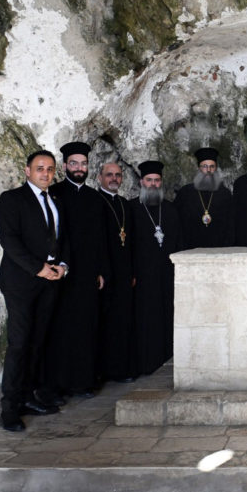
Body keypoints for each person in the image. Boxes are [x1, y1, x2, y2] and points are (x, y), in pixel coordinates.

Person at [0, 150, 67, 432]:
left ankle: (28, 397)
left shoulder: (56, 201)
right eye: (40, 169)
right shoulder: (11, 199)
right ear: (27, 171)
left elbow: (63, 239)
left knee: (38, 343)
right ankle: (9, 409)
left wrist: (62, 265)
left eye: (50, 169)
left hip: (49, 280)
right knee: (19, 344)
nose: (45, 174)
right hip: (21, 282)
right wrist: (38, 268)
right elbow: (9, 241)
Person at [43, 141, 107, 401]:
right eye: (74, 163)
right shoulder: (54, 193)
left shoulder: (95, 197)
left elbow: (101, 237)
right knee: (60, 329)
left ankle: (83, 381)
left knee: (86, 327)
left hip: (88, 273)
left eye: (83, 164)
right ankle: (57, 385)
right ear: (65, 166)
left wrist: (102, 270)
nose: (79, 168)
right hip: (61, 273)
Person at [131, 160, 182, 376]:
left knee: (167, 317)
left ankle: (167, 360)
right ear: (142, 182)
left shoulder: (170, 209)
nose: (153, 184)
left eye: (157, 180)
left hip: (167, 274)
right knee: (146, 320)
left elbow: (180, 242)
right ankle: (146, 363)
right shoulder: (132, 208)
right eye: (149, 180)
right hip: (143, 276)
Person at [96, 161, 137, 383]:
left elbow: (129, 241)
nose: (114, 179)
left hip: (123, 273)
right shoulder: (94, 202)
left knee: (123, 321)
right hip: (104, 274)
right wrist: (100, 271)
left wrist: (131, 271)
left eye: (118, 175)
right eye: (109, 175)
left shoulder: (123, 204)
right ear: (100, 177)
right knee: (105, 323)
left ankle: (121, 369)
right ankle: (104, 371)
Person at [174, 147, 235, 248]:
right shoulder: (185, 193)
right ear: (199, 168)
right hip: (190, 249)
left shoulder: (224, 194)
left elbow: (231, 225)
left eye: (212, 166)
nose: (208, 170)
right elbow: (177, 223)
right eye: (204, 166)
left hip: (219, 249)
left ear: (215, 168)